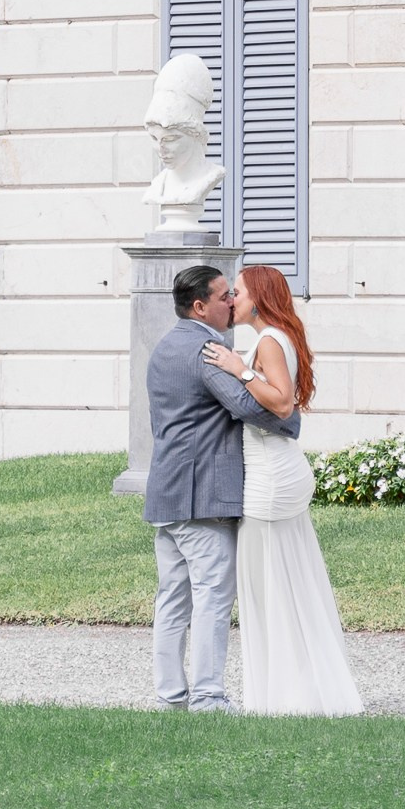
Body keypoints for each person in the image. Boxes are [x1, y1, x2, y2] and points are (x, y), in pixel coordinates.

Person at [204, 262, 363, 717]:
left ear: (258, 297)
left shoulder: (271, 340)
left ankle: (288, 697)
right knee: (287, 585)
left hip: (271, 480)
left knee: (267, 590)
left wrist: (240, 370)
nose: (231, 300)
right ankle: (301, 689)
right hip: (277, 472)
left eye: (237, 292)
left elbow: (282, 402)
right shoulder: (276, 337)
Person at [142, 261, 288, 710]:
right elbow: (247, 406)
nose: (232, 302)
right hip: (201, 498)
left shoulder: (164, 346)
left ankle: (170, 698)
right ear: (201, 307)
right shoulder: (208, 350)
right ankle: (208, 698)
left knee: (172, 600)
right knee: (213, 597)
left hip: (167, 493)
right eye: (225, 296)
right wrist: (290, 417)